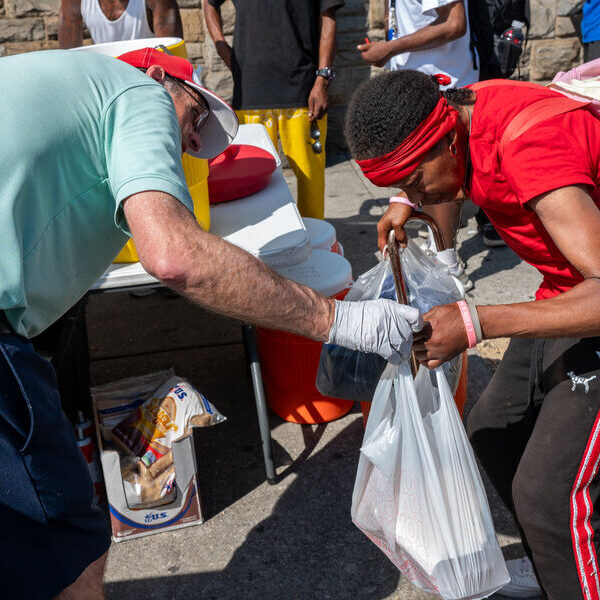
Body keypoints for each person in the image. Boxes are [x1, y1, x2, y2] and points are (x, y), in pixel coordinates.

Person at [0, 49, 422, 599]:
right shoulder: (139, 92)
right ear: (160, 76)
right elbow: (176, 255)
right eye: (196, 117)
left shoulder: (59, 85)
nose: (193, 142)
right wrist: (339, 319)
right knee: (65, 550)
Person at [344, 69, 600, 599]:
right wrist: (411, 201)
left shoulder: (530, 146)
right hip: (568, 287)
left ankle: (574, 562)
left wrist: (477, 321)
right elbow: (440, 166)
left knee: (547, 496)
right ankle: (565, 566)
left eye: (415, 180)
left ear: (443, 138)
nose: (413, 194)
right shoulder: (461, 109)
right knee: (492, 430)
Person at [357, 0, 479, 289]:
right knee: (424, 179)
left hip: (444, 81)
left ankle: (448, 262)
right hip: (415, 81)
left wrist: (392, 48)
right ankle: (440, 246)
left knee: (438, 173)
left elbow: (454, 24)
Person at [202, 0, 343, 220]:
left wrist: (322, 79)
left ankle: (317, 245)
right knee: (250, 183)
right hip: (251, 91)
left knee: (310, 180)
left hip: (302, 91)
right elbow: (210, 4)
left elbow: (328, 18)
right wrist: (222, 47)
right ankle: (264, 248)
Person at [58, 0, 183, 48]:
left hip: (149, 80)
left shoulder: (159, 2)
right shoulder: (73, 2)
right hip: (108, 84)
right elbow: (69, 61)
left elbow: (173, 62)